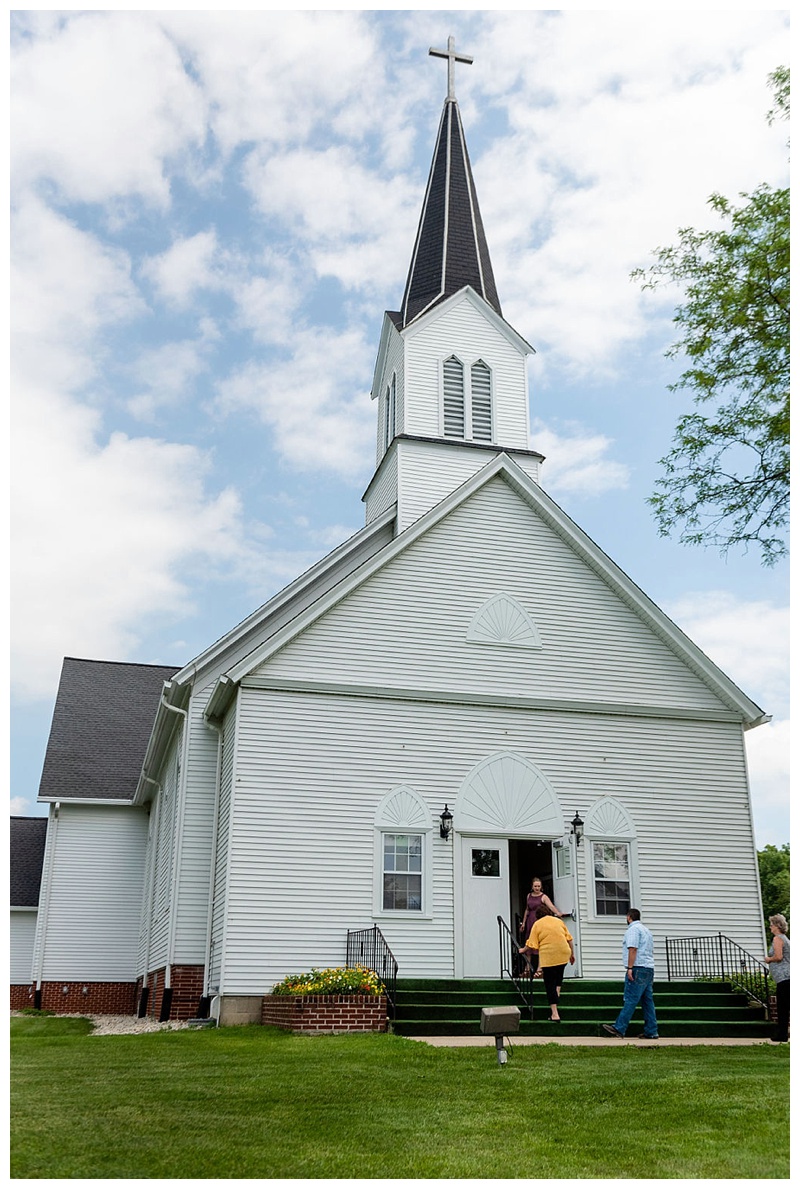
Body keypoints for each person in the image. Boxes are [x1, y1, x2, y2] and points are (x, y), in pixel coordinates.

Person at [602, 908, 659, 1039]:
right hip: (649, 968)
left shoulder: (633, 930)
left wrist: (630, 967)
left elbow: (632, 948)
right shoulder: (647, 930)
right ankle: (652, 1030)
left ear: (629, 917)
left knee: (631, 999)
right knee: (647, 1001)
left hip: (638, 967)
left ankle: (619, 1027)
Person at [519, 904, 575, 1021]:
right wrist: (572, 954)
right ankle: (556, 1002)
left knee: (550, 984)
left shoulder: (538, 924)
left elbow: (531, 943)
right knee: (558, 980)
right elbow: (569, 938)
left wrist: (522, 950)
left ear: (538, 915)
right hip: (563, 952)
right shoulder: (558, 921)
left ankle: (555, 1014)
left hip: (549, 956)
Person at [764, 913, 790, 1043]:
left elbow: (779, 957)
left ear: (777, 926)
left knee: (783, 1007)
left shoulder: (778, 939)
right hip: (786, 977)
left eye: (771, 925)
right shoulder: (785, 939)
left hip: (784, 977)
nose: (770, 927)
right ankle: (782, 1033)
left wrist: (769, 959)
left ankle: (782, 1034)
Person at [519, 877, 563, 942]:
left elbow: (551, 906)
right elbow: (527, 909)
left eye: (539, 886)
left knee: (539, 935)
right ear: (532, 887)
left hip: (539, 919)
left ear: (541, 887)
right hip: (530, 920)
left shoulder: (544, 897)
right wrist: (524, 923)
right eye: (535, 886)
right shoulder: (529, 896)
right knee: (530, 936)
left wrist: (558, 913)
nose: (537, 888)